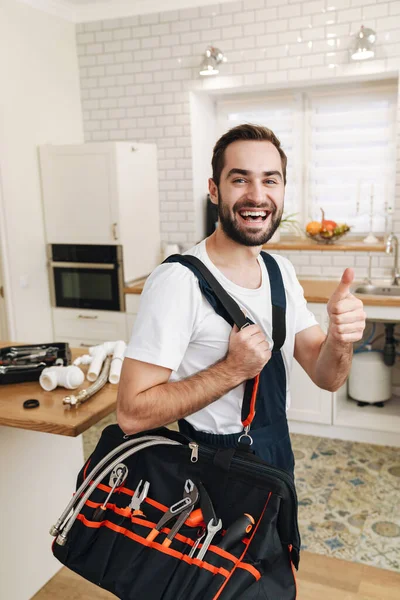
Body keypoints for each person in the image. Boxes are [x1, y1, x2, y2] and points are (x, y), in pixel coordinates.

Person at [117, 123, 366, 475]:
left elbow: (328, 378)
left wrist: (340, 339)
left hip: (277, 455)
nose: (257, 195)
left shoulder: (280, 270)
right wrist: (232, 370)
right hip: (212, 468)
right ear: (214, 190)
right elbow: (131, 413)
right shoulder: (178, 281)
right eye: (239, 179)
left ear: (282, 190)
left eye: (270, 180)